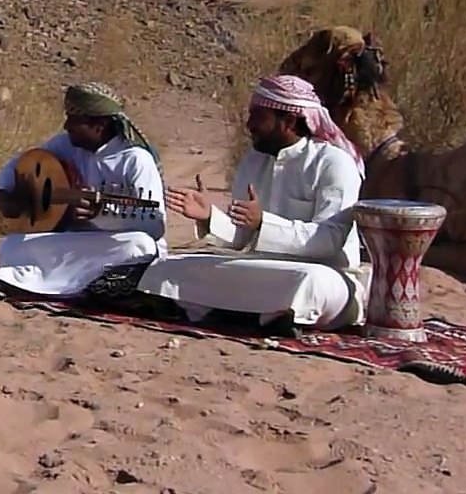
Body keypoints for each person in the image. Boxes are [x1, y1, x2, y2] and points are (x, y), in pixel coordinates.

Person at [139, 74, 367, 331]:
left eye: (258, 116)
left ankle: (233, 312)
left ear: (289, 121)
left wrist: (263, 223)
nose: (249, 125)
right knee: (168, 267)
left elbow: (329, 241)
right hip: (258, 268)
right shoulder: (254, 160)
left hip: (324, 272)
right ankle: (256, 316)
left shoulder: (333, 163)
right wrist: (210, 217)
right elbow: (242, 239)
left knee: (307, 284)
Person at [0, 82, 168, 296]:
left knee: (140, 246)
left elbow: (155, 225)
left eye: (74, 120)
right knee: (11, 245)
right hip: (75, 240)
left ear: (99, 125)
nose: (66, 126)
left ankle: (62, 284)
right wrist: (3, 193)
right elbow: (17, 164)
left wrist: (102, 214)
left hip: (113, 244)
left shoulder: (135, 159)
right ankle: (83, 285)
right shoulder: (64, 145)